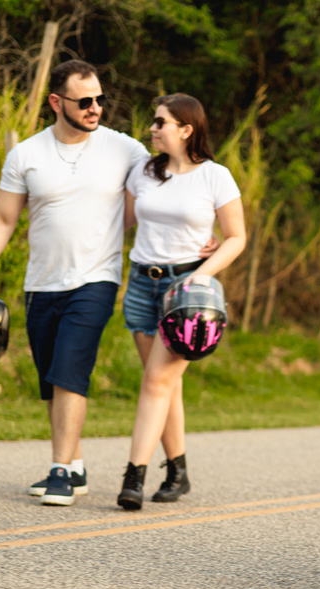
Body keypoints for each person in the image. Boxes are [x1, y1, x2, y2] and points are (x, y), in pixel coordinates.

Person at [0, 60, 152, 506]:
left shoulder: (124, 149)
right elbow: (3, 218)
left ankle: (60, 470)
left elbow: (166, 187)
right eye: (84, 101)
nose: (95, 108)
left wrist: (204, 229)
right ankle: (76, 464)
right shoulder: (26, 154)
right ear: (56, 102)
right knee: (51, 379)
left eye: (100, 99)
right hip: (41, 283)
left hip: (96, 280)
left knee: (70, 369)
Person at [116, 93, 246, 510]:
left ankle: (133, 476)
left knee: (157, 382)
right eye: (153, 122)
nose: (152, 128)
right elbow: (126, 221)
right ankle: (178, 470)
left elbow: (237, 237)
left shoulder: (216, 177)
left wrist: (197, 278)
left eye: (160, 122)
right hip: (141, 284)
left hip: (188, 294)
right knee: (165, 385)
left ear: (186, 129)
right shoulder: (143, 171)